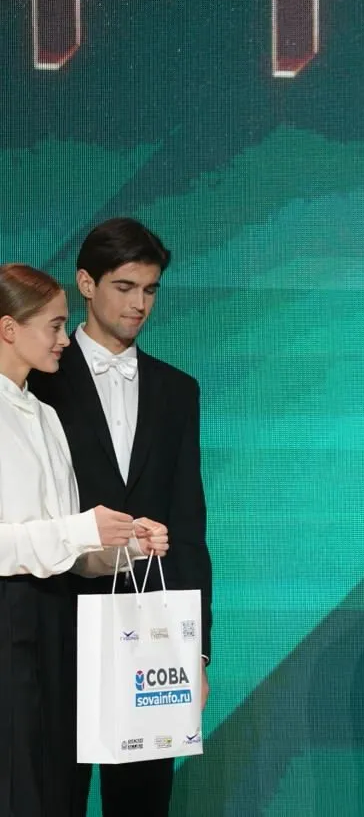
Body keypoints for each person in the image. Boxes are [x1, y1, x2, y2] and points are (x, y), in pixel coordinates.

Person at [28, 219, 211, 817]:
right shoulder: (38, 381)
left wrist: (196, 650)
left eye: (150, 290)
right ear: (86, 283)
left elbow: (188, 523)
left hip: (149, 637)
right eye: (125, 287)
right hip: (56, 623)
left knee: (143, 801)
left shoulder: (177, 390)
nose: (139, 304)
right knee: (52, 796)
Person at [0, 263, 168, 817]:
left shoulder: (45, 417)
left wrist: (127, 545)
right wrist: (81, 528)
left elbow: (69, 550)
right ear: (9, 329)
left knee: (58, 787)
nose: (64, 339)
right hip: (9, 622)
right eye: (53, 326)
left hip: (56, 619)